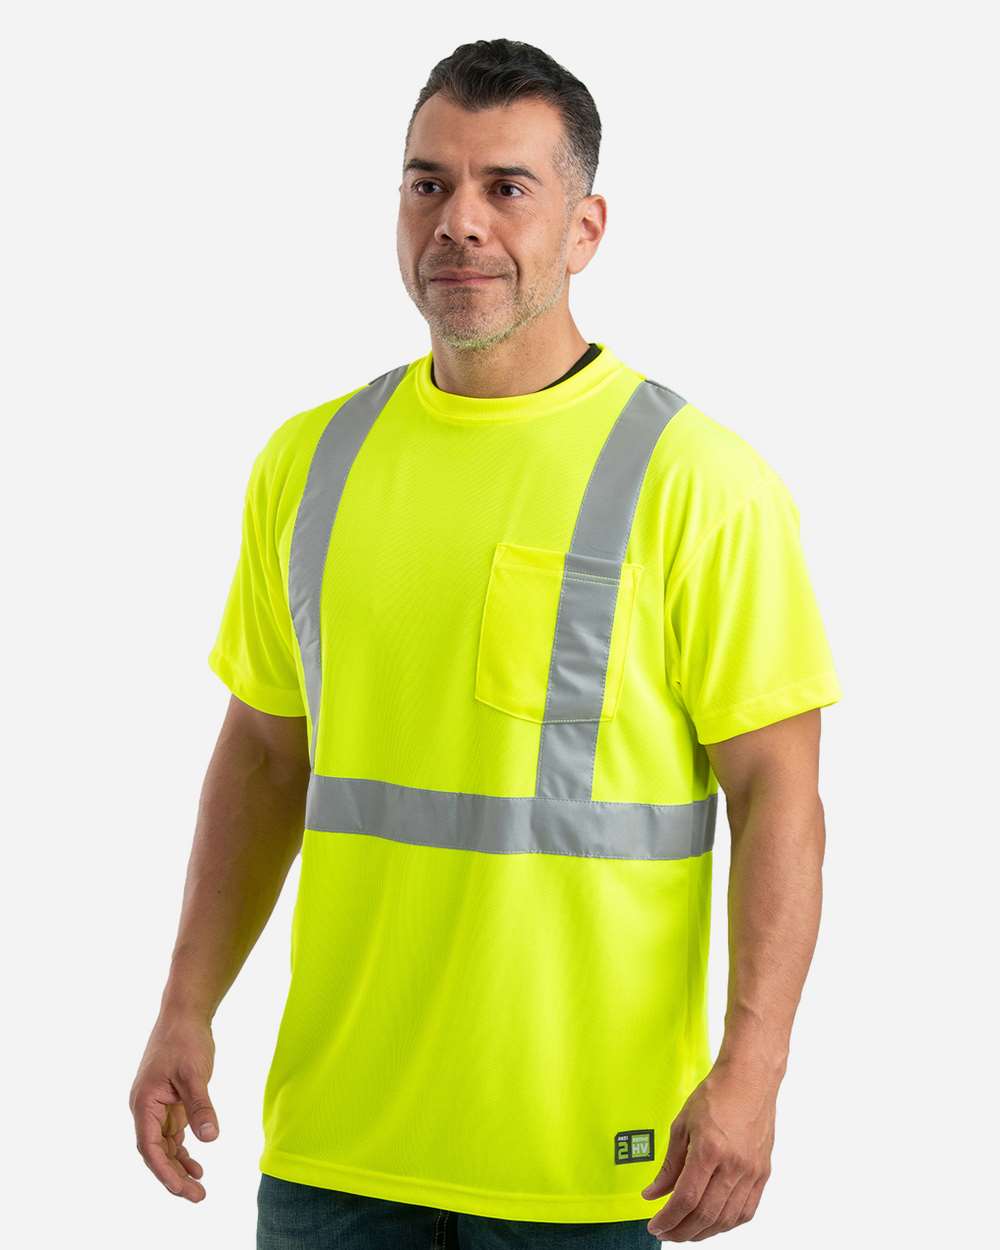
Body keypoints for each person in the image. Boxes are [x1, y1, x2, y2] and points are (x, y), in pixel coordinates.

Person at [129, 37, 843, 1249]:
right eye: (429, 183)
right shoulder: (309, 462)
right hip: (337, 1147)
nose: (458, 221)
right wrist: (184, 1002)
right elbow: (262, 753)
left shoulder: (697, 481)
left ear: (585, 226)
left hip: (585, 1159)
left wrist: (754, 1068)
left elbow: (779, 788)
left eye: (505, 186)